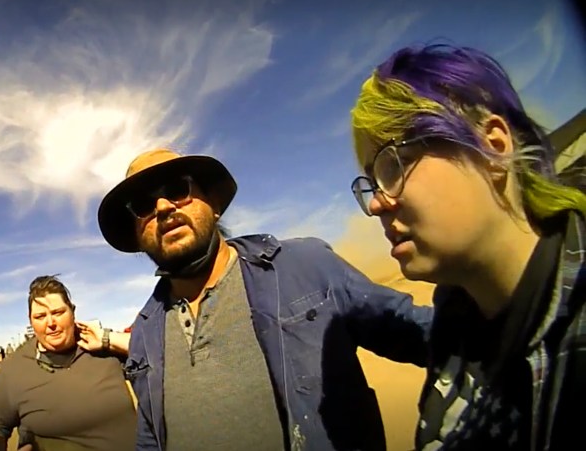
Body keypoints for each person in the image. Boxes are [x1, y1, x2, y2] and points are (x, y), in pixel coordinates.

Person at [96, 148, 435, 450]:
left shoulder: (305, 267)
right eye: (143, 205)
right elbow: (150, 437)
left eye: (176, 190)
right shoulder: (145, 331)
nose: (162, 207)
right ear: (137, 235)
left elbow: (430, 335)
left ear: (214, 205)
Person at [348, 43, 586, 450]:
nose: (375, 204)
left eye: (392, 165)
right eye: (371, 181)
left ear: (492, 146)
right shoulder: (455, 322)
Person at [0, 275, 136, 451]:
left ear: (72, 311)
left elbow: (155, 352)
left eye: (58, 313)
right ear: (30, 321)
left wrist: (108, 338)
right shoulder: (15, 368)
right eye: (40, 316)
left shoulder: (104, 349)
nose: (50, 323)